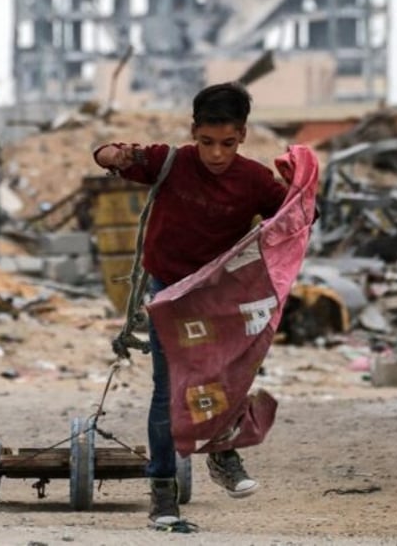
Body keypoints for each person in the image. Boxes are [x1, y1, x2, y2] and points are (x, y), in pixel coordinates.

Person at [92, 82, 289, 528]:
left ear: (242, 136)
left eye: (227, 144)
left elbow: (296, 214)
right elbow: (106, 153)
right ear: (193, 131)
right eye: (206, 142)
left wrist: (300, 186)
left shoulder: (255, 180)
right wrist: (114, 156)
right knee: (170, 390)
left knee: (225, 377)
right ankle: (163, 492)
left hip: (218, 296)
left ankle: (222, 456)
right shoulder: (171, 162)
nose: (216, 154)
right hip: (168, 294)